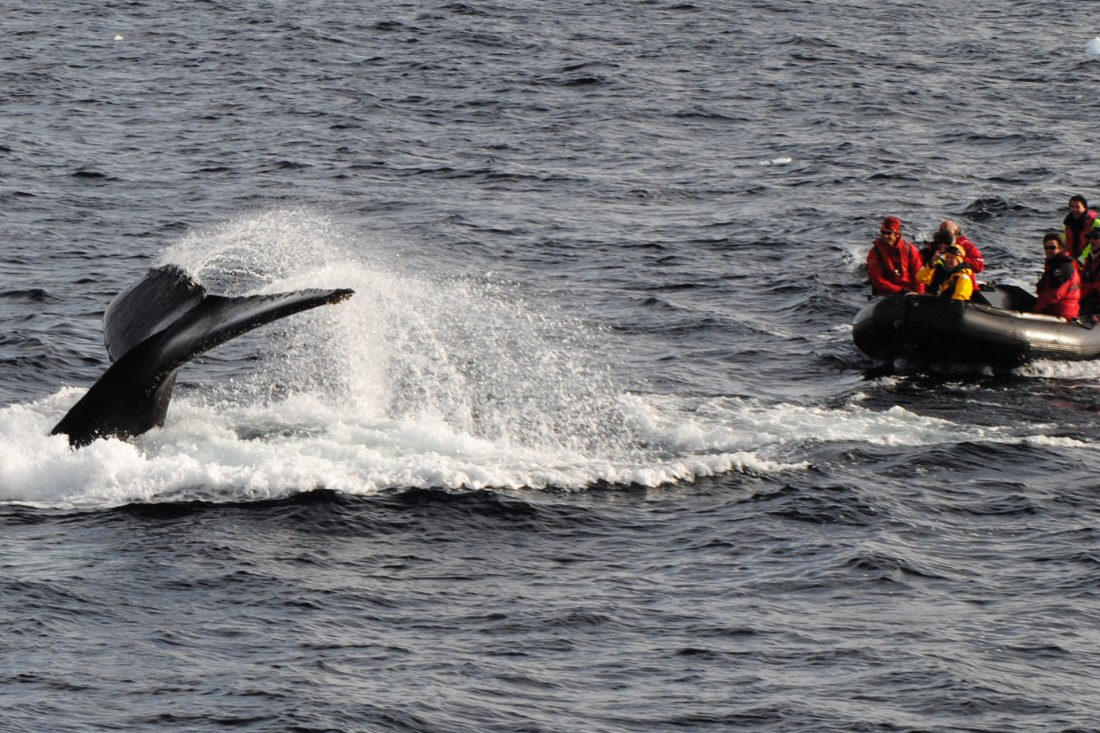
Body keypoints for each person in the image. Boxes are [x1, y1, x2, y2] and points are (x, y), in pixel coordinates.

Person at [866, 216, 925, 296]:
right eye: (883, 232)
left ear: (897, 234)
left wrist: (918, 296)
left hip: (909, 295)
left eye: (888, 233)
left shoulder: (910, 250)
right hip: (886, 296)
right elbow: (877, 281)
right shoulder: (874, 253)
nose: (885, 236)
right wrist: (901, 290)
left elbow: (919, 277)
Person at [1035, 232, 1080, 320]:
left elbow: (1055, 293)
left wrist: (1037, 309)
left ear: (1061, 248)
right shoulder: (1053, 265)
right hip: (1054, 308)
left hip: (1062, 313)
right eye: (1046, 248)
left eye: (1052, 248)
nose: (1049, 250)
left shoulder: (1062, 267)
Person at [1062, 195, 1099, 262]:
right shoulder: (1068, 223)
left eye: (1077, 207)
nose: (1074, 210)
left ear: (1084, 208)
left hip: (1091, 261)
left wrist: (1080, 260)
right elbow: (1064, 243)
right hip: (1072, 261)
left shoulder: (1096, 223)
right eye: (1072, 207)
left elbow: (1096, 245)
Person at [1079, 229, 1100, 316]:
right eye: (1089, 238)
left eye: (1095, 238)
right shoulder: (1090, 258)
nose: (1091, 241)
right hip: (1085, 298)